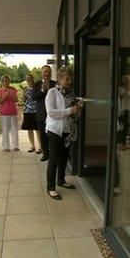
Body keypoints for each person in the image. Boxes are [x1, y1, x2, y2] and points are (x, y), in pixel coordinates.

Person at [45, 67, 81, 200]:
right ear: (59, 79)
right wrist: (70, 110)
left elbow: (73, 113)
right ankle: (50, 187)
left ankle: (61, 180)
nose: (69, 81)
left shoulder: (71, 94)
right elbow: (51, 112)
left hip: (68, 130)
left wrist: (78, 109)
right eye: (66, 78)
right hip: (55, 130)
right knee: (54, 158)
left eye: (70, 79)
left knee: (65, 157)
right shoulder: (52, 92)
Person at [32, 65, 56, 161]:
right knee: (43, 136)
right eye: (45, 71)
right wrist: (43, 90)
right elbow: (34, 97)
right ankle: (45, 154)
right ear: (41, 73)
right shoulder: (37, 84)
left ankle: (53, 154)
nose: (47, 73)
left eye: (48, 71)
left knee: (52, 136)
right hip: (41, 114)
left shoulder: (55, 84)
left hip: (53, 115)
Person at [0, 75, 19, 152]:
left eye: (7, 80)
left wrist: (12, 96)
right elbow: (0, 102)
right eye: (4, 81)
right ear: (2, 82)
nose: (6, 82)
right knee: (5, 130)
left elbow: (16, 100)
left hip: (13, 112)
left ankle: (15, 146)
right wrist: (5, 96)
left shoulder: (13, 89)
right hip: (4, 113)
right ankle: (6, 147)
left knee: (14, 130)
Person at [21, 73, 41, 153]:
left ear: (33, 79)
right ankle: (32, 146)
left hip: (36, 110)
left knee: (37, 129)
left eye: (30, 78)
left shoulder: (37, 88)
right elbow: (23, 100)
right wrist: (23, 91)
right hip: (27, 111)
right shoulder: (25, 89)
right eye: (27, 78)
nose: (28, 79)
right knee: (29, 129)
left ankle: (40, 147)